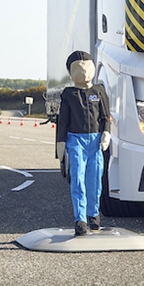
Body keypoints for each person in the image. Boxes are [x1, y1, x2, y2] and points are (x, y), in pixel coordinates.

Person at [56, 51, 111, 236]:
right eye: (79, 68)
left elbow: (105, 116)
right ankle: (80, 219)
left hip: (95, 141)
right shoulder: (68, 94)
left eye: (87, 67)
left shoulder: (99, 91)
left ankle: (93, 215)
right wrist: (60, 143)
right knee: (78, 178)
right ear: (71, 72)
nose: (84, 71)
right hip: (75, 140)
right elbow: (63, 120)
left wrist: (106, 132)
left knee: (95, 179)